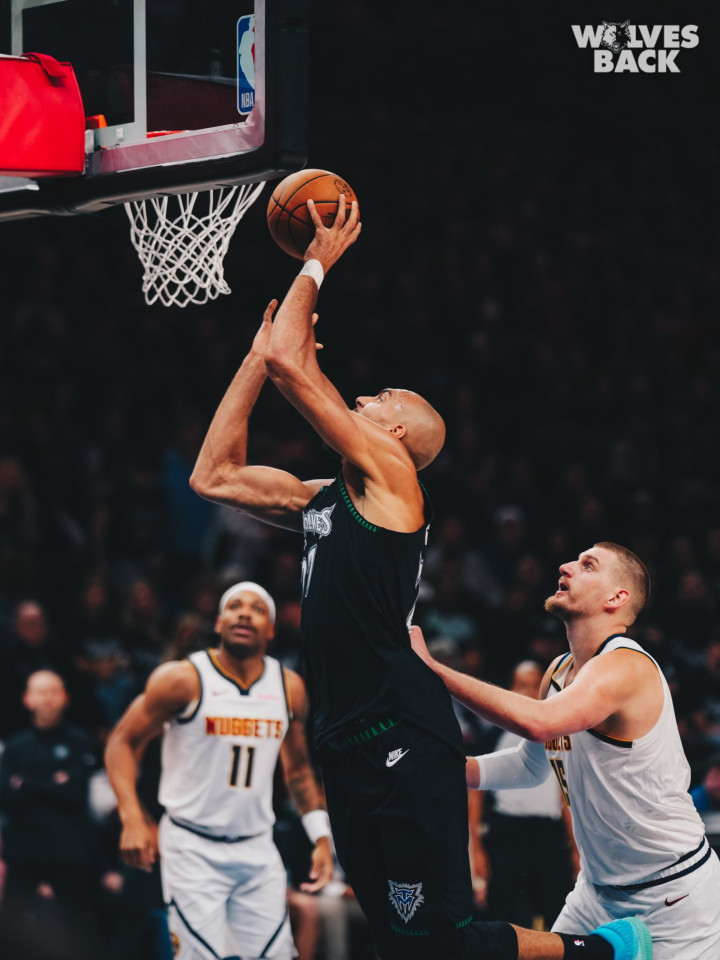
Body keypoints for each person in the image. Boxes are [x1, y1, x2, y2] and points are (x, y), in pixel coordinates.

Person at [189, 197, 650, 960]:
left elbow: (292, 367)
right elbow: (214, 476)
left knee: (439, 941)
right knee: (401, 945)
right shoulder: (323, 499)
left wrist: (316, 263)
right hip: (344, 738)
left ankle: (605, 952)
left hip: (402, 729)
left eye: (378, 400)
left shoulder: (395, 477)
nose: (363, 399)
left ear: (395, 432)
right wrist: (254, 356)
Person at [410, 541, 720, 959]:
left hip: (673, 897)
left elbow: (539, 722)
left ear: (617, 597)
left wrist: (433, 672)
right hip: (595, 892)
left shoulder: (626, 666)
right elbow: (529, 766)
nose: (566, 566)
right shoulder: (558, 672)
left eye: (588, 565)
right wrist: (444, 768)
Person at [104, 581, 333, 960]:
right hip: (193, 846)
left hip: (257, 846)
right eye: (235, 606)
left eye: (257, 609)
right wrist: (132, 818)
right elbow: (121, 742)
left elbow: (298, 771)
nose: (244, 613)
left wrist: (321, 837)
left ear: (271, 630)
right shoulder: (183, 679)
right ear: (218, 621)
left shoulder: (289, 687)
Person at [0, 670, 103, 958]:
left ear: (65, 698)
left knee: (79, 929)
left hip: (69, 850)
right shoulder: (14, 746)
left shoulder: (81, 741)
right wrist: (53, 784)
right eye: (40, 692)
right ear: (27, 698)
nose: (46, 698)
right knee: (11, 928)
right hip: (23, 849)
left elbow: (75, 794)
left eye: (53, 691)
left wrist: (26, 784)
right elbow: (6, 798)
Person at [471, 660, 577, 928]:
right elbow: (474, 792)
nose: (527, 692)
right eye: (521, 685)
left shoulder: (559, 735)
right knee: (505, 918)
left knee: (558, 917)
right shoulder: (492, 736)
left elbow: (565, 796)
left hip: (549, 835)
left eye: (533, 686)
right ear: (511, 688)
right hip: (506, 833)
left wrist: (576, 850)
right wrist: (477, 849)